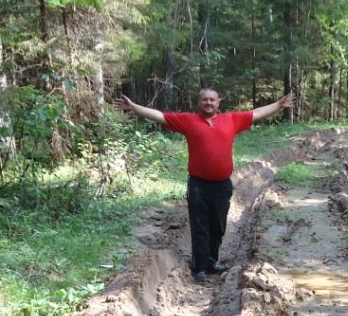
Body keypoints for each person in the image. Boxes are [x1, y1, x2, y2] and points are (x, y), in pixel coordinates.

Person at [115, 87, 295, 282]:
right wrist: (134, 107)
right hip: (198, 186)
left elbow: (256, 113)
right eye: (205, 100)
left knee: (218, 226)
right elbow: (160, 116)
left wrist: (278, 105)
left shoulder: (231, 119)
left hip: (222, 186)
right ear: (199, 102)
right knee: (200, 226)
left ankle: (211, 262)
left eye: (212, 100)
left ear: (218, 103)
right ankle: (199, 266)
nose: (208, 103)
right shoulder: (188, 120)